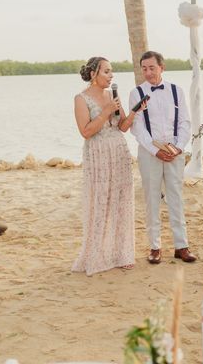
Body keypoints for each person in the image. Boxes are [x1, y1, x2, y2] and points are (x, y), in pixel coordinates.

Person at [72, 56, 144, 276]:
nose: (111, 75)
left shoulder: (112, 95)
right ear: (93, 74)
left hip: (119, 151)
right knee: (100, 201)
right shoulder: (81, 98)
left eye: (111, 71)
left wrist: (134, 112)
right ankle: (97, 254)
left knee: (121, 201)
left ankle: (122, 254)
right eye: (106, 71)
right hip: (98, 153)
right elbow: (85, 131)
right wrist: (105, 112)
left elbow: (122, 126)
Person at [129, 51, 197, 265]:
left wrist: (177, 147)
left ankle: (181, 246)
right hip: (150, 154)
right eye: (144, 68)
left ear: (162, 67)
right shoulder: (136, 92)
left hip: (174, 152)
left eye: (152, 68)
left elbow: (185, 122)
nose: (148, 72)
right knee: (151, 199)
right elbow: (137, 127)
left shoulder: (177, 91)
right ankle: (155, 247)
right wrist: (154, 150)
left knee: (176, 197)